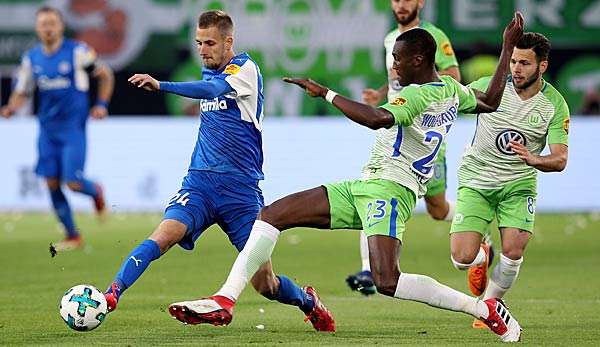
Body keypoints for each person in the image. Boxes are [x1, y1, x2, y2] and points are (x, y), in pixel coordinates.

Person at [165, 13, 525, 343]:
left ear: (418, 60)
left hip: (391, 192)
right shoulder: (452, 91)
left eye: (398, 59)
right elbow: (491, 100)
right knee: (271, 215)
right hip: (365, 186)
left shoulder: (416, 95)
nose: (393, 65)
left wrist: (326, 93)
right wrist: (506, 46)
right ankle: (224, 300)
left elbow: (376, 118)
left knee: (387, 281)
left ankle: (483, 309)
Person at [102, 10, 335, 332]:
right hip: (199, 184)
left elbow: (212, 92)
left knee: (265, 284)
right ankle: (111, 295)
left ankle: (308, 302)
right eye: (198, 42)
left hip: (241, 192)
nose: (202, 49)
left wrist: (161, 85)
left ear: (229, 41)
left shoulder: (246, 69)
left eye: (209, 43)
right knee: (163, 236)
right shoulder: (207, 70)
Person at [449, 32, 570, 329]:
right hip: (477, 178)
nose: (516, 68)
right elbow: (448, 103)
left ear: (542, 66)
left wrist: (535, 159)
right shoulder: (488, 88)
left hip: (518, 184)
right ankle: (480, 257)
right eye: (514, 61)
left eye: (525, 63)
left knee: (514, 251)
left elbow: (560, 158)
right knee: (461, 258)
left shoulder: (554, 105)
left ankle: (490, 305)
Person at [348, 0, 464, 295]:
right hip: (397, 125)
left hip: (426, 132)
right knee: (373, 187)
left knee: (437, 209)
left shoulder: (433, 35)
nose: (401, 5)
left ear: (420, 2)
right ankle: (367, 269)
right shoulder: (391, 39)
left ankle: (474, 223)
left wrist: (421, 96)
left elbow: (453, 76)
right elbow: (398, 78)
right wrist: (382, 94)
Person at [0, 6, 113, 250]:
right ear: (37, 29)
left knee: (72, 182)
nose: (48, 28)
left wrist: (101, 105)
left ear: (61, 26)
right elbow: (22, 91)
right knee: (51, 182)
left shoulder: (78, 52)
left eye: (52, 23)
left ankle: (96, 191)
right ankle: (73, 235)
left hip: (73, 129)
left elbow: (105, 75)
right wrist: (11, 107)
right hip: (47, 130)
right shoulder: (32, 59)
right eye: (43, 24)